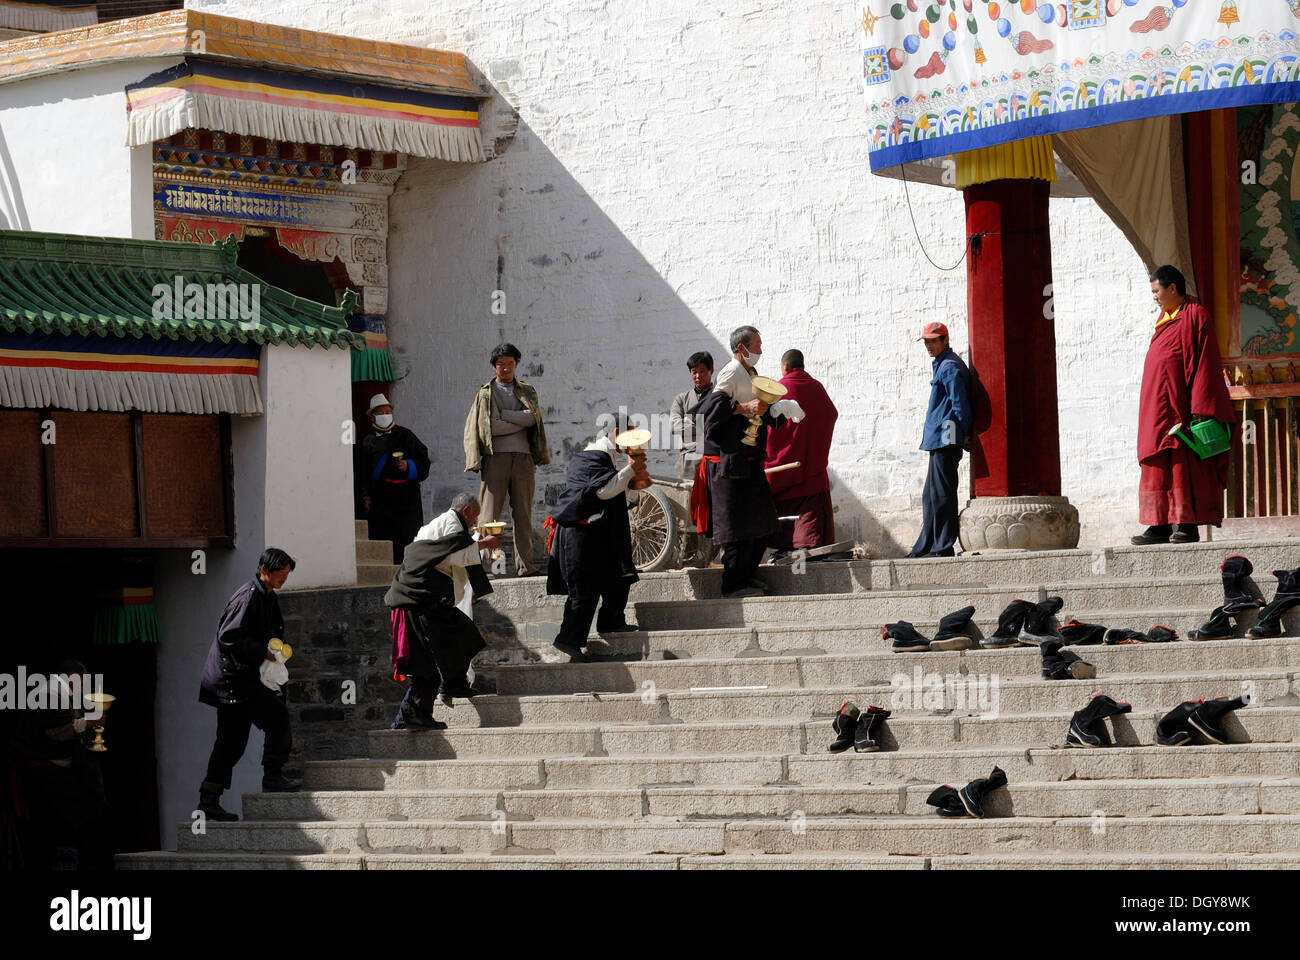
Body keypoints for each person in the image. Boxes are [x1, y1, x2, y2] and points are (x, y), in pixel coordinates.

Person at [692, 326, 805, 598]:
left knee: (763, 523)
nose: (760, 351)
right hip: (727, 465)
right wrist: (744, 408)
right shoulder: (730, 372)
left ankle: (747, 575)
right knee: (736, 529)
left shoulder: (750, 374)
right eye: (756, 345)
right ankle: (732, 585)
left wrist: (779, 410)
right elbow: (711, 416)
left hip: (750, 461)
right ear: (741, 348)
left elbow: (757, 416)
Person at [1132, 264, 1234, 544]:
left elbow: (1205, 363)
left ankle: (1186, 524)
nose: (1154, 296)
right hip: (1157, 406)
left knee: (1182, 460)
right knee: (1157, 458)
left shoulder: (1195, 315)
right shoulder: (1166, 318)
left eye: (1156, 291)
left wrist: (1200, 405)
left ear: (1172, 288)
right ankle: (1159, 524)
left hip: (1182, 405)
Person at [197, 548, 299, 823]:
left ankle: (208, 801)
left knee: (231, 742)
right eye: (280, 574)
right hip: (233, 680)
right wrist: (263, 653)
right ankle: (273, 777)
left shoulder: (267, 597)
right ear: (265, 569)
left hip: (243, 678)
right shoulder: (248, 596)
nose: (283, 579)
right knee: (275, 719)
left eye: (286, 575)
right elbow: (229, 637)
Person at [386, 493, 501, 727]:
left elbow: (452, 553)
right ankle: (413, 714)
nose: (473, 523)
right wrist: (485, 544)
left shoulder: (449, 525)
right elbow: (456, 554)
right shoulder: (449, 523)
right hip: (416, 600)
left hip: (433, 599)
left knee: (465, 635)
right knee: (424, 665)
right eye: (473, 517)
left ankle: (454, 684)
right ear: (466, 510)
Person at [545, 417, 642, 661]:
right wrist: (631, 469)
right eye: (629, 434)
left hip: (599, 533)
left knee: (618, 576)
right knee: (584, 590)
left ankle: (611, 622)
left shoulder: (607, 458)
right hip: (578, 534)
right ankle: (567, 639)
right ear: (617, 432)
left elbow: (619, 496)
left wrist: (635, 481)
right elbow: (603, 491)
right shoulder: (589, 458)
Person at [463, 343, 550, 576]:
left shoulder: (527, 391)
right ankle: (487, 567)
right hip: (495, 458)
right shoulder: (485, 393)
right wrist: (518, 421)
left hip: (524, 459)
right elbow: (488, 427)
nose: (506, 368)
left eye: (510, 363)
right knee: (488, 515)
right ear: (494, 367)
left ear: (516, 365)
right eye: (501, 364)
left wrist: (506, 417)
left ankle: (526, 566)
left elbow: (533, 418)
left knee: (523, 514)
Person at [765, 349, 839, 551]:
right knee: (810, 527)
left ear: (786, 367)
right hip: (813, 470)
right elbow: (831, 414)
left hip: (787, 468)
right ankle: (807, 560)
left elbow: (770, 430)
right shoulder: (817, 387)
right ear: (802, 365)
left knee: (787, 527)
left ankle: (794, 561)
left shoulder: (780, 389)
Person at [908, 322, 971, 558]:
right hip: (939, 437)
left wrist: (965, 432)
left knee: (942, 494)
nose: (929, 345)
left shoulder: (949, 367)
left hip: (947, 436)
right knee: (931, 495)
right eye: (926, 341)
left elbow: (959, 404)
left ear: (945, 340)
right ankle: (927, 546)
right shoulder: (943, 364)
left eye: (934, 341)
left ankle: (942, 546)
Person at [355, 393, 431, 564]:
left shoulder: (406, 435)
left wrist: (408, 466)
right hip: (381, 498)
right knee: (384, 537)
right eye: (380, 413)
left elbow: (424, 462)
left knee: (409, 538)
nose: (384, 416)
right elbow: (363, 472)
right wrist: (366, 496)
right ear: (373, 417)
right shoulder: (368, 441)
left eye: (387, 412)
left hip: (407, 498)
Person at [670, 351, 714, 481]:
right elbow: (674, 426)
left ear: (711, 370)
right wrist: (705, 423)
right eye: (694, 372)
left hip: (713, 457)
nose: (698, 376)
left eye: (702, 371)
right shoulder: (682, 399)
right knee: (689, 498)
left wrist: (688, 420)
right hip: (688, 459)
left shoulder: (719, 397)